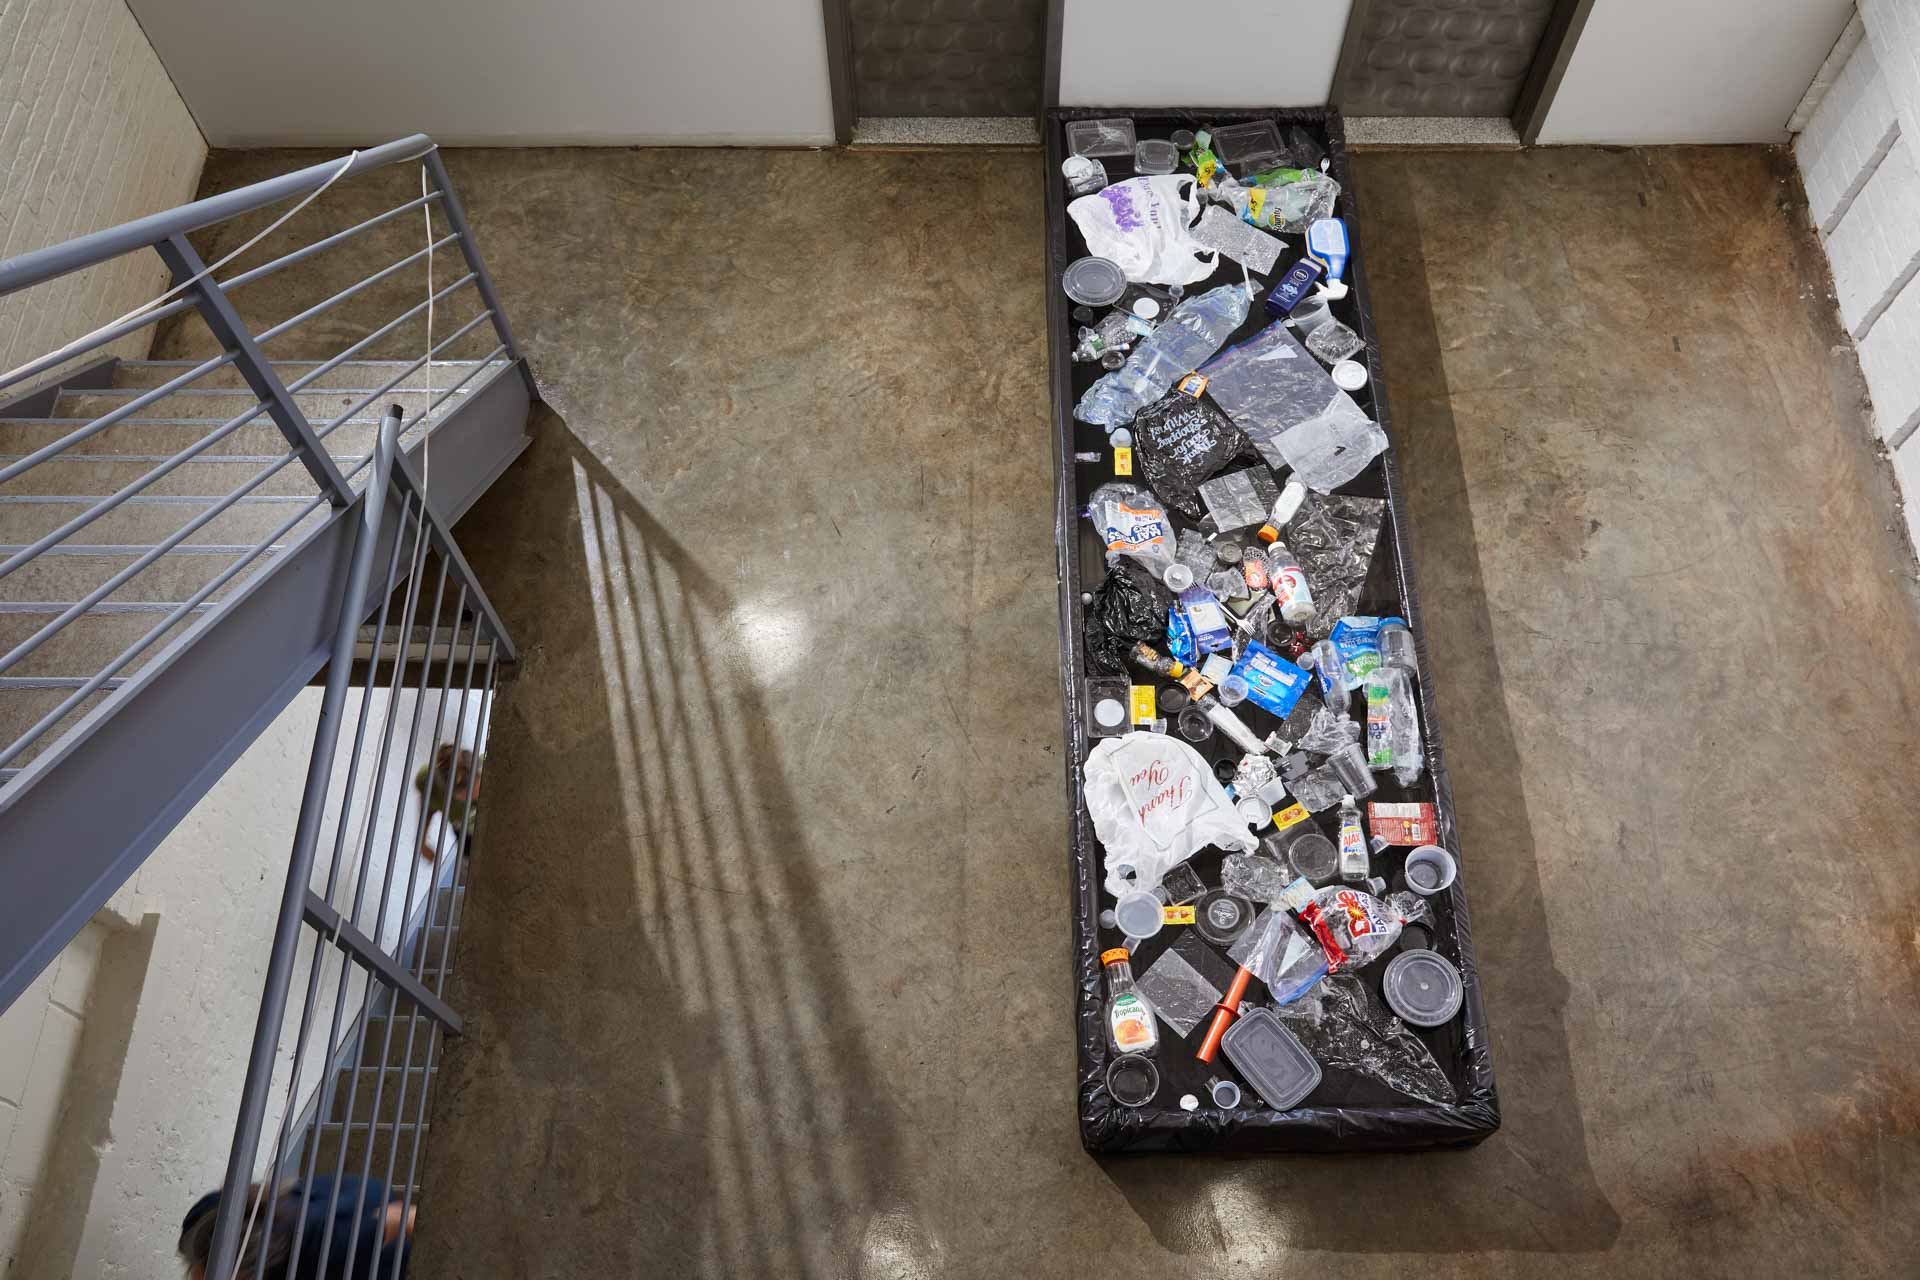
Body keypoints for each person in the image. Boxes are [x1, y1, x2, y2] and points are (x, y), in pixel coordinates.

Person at [178, 1176, 413, 1279]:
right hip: (318, 1199)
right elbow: (225, 1190)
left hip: (373, 1224)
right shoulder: (201, 1218)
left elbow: (403, 1216)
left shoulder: (324, 1240)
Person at [413, 743, 479, 860]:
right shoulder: (429, 780)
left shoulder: (489, 769)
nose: (475, 791)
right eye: (467, 792)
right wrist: (422, 841)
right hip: (466, 834)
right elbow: (428, 804)